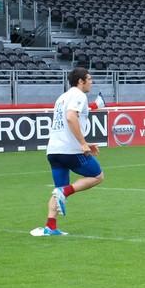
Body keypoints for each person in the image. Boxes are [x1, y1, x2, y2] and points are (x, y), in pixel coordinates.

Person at [30, 67, 105, 237]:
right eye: (89, 79)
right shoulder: (79, 95)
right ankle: (65, 192)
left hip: (53, 151)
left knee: (58, 188)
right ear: (80, 81)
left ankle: (50, 226)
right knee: (97, 176)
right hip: (70, 150)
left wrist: (84, 142)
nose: (91, 82)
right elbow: (71, 117)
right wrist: (83, 143)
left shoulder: (62, 97)